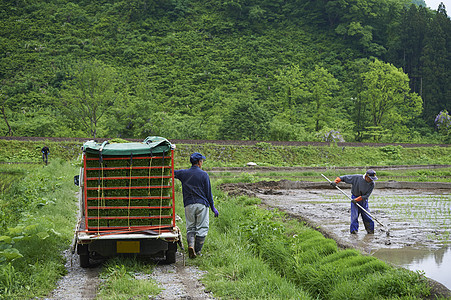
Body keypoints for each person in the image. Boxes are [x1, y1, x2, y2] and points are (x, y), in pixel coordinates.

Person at [174, 152, 219, 258]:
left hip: (189, 205)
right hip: (201, 204)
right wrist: (213, 207)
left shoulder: (183, 173)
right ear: (199, 162)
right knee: (202, 228)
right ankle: (197, 251)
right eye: (202, 161)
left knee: (190, 228)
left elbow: (172, 172)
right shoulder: (204, 175)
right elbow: (208, 193)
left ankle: (190, 246)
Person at [330, 169, 378, 234]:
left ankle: (370, 231)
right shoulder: (357, 178)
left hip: (363, 200)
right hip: (354, 198)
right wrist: (335, 182)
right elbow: (342, 178)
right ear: (366, 176)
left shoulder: (372, 184)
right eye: (370, 179)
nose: (371, 180)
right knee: (354, 216)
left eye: (373, 179)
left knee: (367, 216)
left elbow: (366, 196)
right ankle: (354, 232)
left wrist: (357, 200)